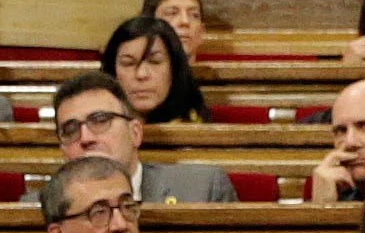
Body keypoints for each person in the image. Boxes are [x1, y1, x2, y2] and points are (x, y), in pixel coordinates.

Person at [49, 72, 233, 207]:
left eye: (100, 120)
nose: (86, 138)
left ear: (135, 133)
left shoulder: (201, 189)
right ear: (62, 150)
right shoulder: (43, 206)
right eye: (70, 130)